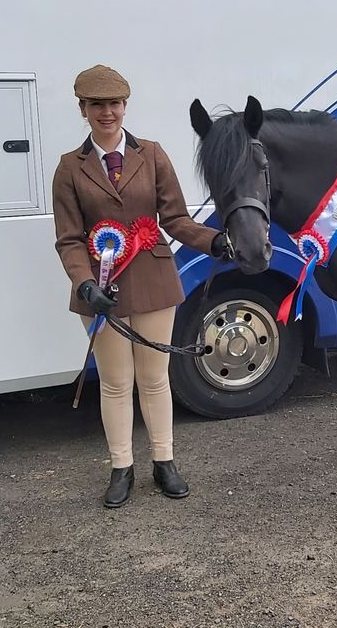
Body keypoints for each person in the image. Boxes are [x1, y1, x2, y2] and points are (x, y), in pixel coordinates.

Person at [52, 65, 231, 508]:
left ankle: (165, 462)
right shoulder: (68, 169)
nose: (107, 112)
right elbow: (70, 239)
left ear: (125, 106)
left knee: (153, 379)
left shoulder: (151, 154)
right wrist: (83, 284)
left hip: (152, 280)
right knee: (115, 383)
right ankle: (121, 467)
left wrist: (215, 241)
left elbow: (175, 220)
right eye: (97, 105)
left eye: (114, 104)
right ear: (83, 110)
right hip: (101, 290)